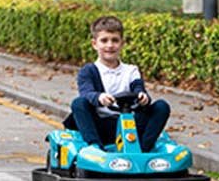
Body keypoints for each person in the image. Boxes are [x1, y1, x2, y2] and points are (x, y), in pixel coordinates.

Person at [63, 15, 170, 152]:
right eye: (104, 41)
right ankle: (94, 148)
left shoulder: (131, 70)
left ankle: (143, 149)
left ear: (122, 43)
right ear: (95, 44)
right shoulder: (88, 71)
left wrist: (143, 97)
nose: (110, 45)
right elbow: (86, 92)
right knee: (79, 103)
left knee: (161, 106)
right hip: (101, 125)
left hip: (129, 126)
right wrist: (99, 97)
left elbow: (138, 88)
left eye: (115, 40)